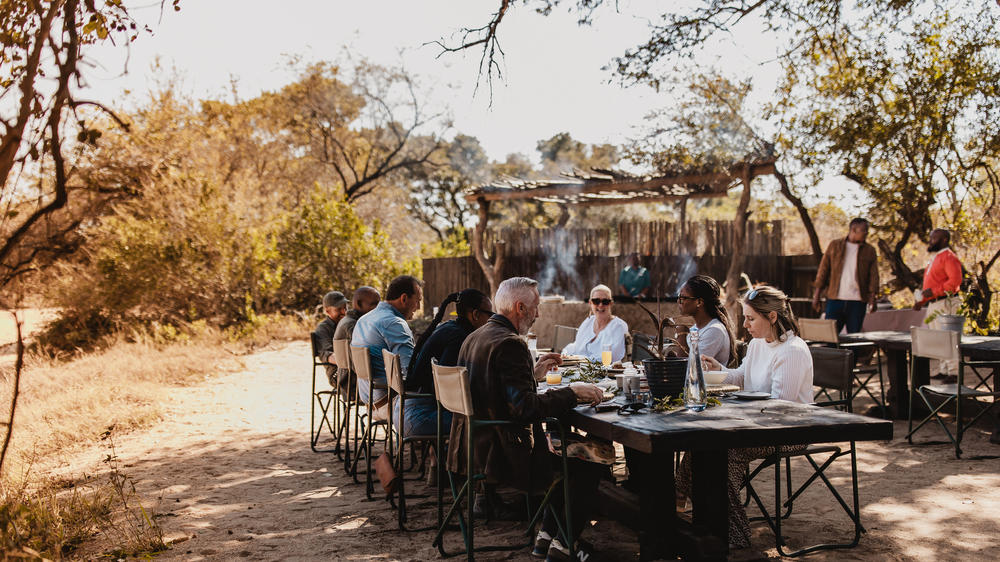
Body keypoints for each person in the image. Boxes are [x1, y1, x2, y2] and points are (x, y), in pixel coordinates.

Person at [449, 277, 606, 561]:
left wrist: (531, 376)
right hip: (502, 457)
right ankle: (563, 546)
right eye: (535, 307)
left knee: (564, 453)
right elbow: (526, 409)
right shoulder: (510, 343)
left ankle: (546, 536)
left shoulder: (475, 336)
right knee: (587, 463)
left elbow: (494, 391)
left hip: (469, 449)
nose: (538, 314)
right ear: (520, 307)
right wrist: (573, 392)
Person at [684, 285, 814, 549]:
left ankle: (735, 532)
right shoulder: (756, 344)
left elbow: (782, 408)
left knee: (724, 452)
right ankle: (704, 520)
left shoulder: (792, 351)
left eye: (751, 318)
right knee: (699, 443)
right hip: (755, 425)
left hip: (789, 431)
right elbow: (742, 378)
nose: (745, 325)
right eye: (745, 317)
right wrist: (718, 368)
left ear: (773, 317)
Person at [397, 288, 494, 438]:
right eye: (490, 315)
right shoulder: (459, 338)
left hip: (404, 409)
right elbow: (446, 392)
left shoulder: (449, 328)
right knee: (491, 421)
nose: (491, 320)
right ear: (475, 315)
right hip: (418, 415)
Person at [351, 275, 423, 415]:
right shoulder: (394, 323)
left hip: (370, 403)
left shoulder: (364, 319)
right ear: (404, 299)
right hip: (390, 404)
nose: (419, 307)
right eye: (418, 301)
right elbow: (410, 373)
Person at [812, 218, 880, 333]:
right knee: (830, 338)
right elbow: (823, 270)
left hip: (858, 302)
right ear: (853, 230)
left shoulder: (870, 250)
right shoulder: (835, 246)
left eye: (867, 231)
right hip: (835, 299)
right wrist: (816, 295)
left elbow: (874, 276)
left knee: (854, 339)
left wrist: (872, 298)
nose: (866, 233)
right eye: (864, 230)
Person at [913, 228, 964, 375]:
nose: (930, 241)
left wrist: (934, 291)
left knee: (948, 338)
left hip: (946, 302)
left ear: (944, 240)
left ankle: (954, 373)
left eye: (934, 239)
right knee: (939, 339)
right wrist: (922, 301)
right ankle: (944, 369)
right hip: (934, 304)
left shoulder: (949, 257)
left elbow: (955, 281)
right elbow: (930, 286)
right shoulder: (935, 258)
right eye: (930, 238)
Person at [672, 275, 738, 367]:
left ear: (699, 302)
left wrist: (682, 335)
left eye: (683, 298)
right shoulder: (696, 328)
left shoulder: (714, 330)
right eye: (679, 297)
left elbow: (692, 369)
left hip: (709, 381)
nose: (679, 301)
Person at [333, 286, 380, 397]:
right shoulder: (352, 325)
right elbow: (360, 364)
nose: (378, 309)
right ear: (359, 304)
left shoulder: (351, 321)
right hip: (355, 386)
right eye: (374, 304)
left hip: (353, 382)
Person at [562, 284, 628, 364]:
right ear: (590, 303)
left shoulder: (618, 326)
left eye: (605, 302)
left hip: (604, 373)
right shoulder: (588, 322)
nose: (600, 305)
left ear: (611, 303)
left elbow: (613, 357)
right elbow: (577, 345)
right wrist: (565, 352)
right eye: (596, 301)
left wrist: (583, 360)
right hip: (581, 369)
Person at [315, 291, 348, 385]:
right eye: (338, 309)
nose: (344, 312)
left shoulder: (349, 324)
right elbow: (328, 355)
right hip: (338, 374)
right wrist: (351, 363)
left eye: (345, 307)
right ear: (327, 311)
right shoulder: (323, 329)